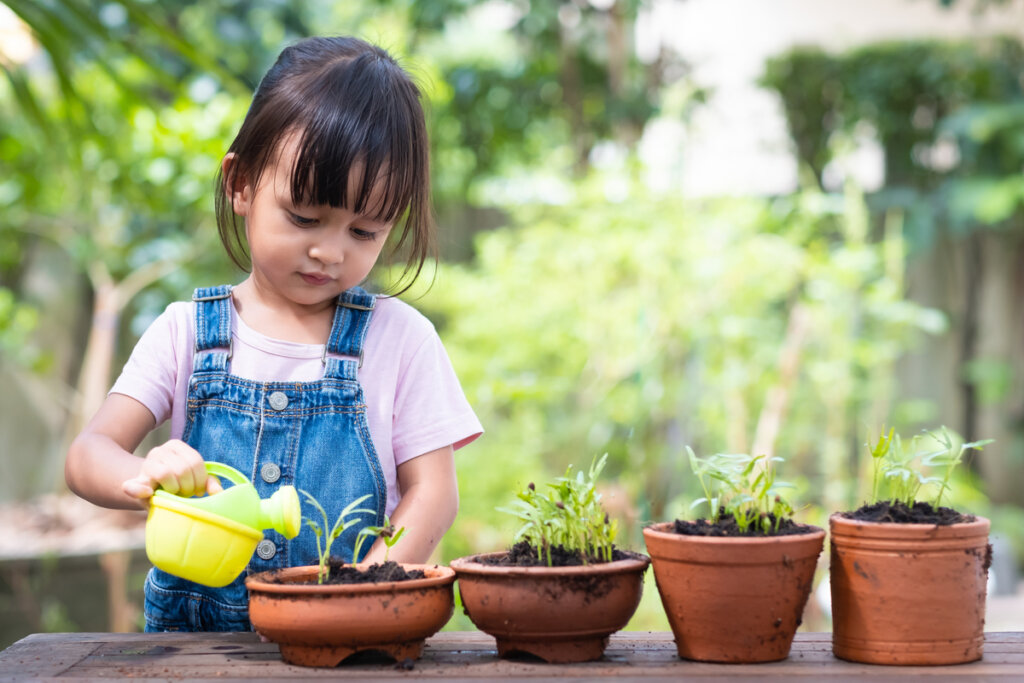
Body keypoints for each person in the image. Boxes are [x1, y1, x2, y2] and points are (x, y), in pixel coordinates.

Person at [65, 36, 482, 632]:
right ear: (240, 183)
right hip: (195, 657)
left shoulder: (401, 341)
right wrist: (145, 475)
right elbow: (86, 457)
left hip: (354, 644)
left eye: (364, 232)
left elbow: (434, 497)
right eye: (305, 217)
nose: (328, 251)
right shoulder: (187, 334)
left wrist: (364, 595)